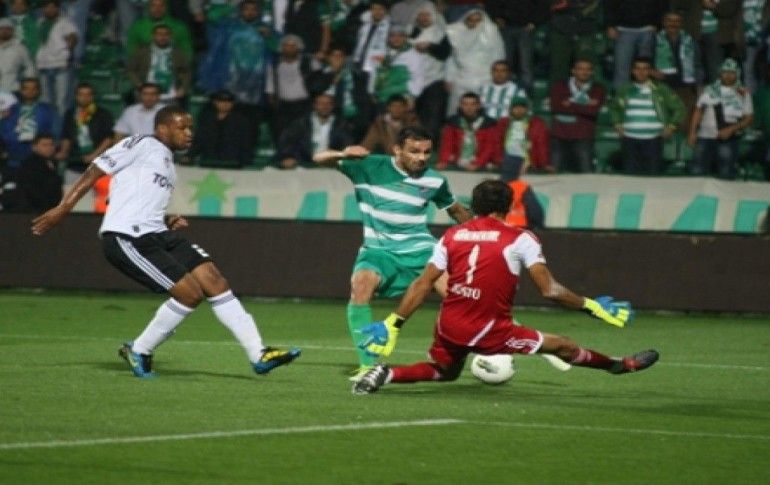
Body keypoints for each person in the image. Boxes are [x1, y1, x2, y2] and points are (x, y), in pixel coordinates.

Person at [31, 105, 302, 378]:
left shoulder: (169, 164)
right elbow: (95, 169)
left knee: (214, 280)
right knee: (189, 294)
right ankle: (140, 349)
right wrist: (63, 208)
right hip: (128, 237)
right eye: (182, 127)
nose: (189, 133)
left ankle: (258, 353)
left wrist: (166, 219)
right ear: (162, 128)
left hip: (157, 233)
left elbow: (131, 197)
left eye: (191, 128)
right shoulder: (141, 143)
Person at [352, 179, 658, 395]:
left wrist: (393, 323)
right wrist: (592, 306)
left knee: (446, 371)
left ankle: (385, 373)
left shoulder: (452, 235)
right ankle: (621, 365)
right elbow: (550, 290)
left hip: (449, 324)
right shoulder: (520, 238)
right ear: (510, 206)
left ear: (474, 206)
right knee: (563, 345)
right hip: (489, 329)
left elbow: (423, 283)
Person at [312, 126, 473, 381]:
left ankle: (495, 345)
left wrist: (484, 232)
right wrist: (343, 153)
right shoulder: (369, 166)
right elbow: (318, 158)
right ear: (397, 150)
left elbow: (455, 211)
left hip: (422, 250)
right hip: (378, 251)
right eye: (414, 151)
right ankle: (368, 366)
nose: (421, 158)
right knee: (361, 285)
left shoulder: (434, 180)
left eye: (427, 152)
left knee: (459, 298)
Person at [610, 57, 685, 174]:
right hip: (629, 139)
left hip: (654, 139)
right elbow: (614, 108)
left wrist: (671, 126)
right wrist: (617, 124)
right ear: (633, 71)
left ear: (650, 71)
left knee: (652, 176)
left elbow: (679, 109)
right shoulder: (624, 90)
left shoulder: (661, 89)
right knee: (629, 176)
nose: (641, 72)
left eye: (645, 69)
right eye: (638, 68)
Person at [688, 58, 754, 179]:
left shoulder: (743, 92)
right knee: (698, 171)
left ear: (737, 74)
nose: (728, 76)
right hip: (704, 137)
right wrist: (692, 133)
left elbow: (748, 118)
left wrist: (731, 129)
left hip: (727, 138)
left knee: (725, 173)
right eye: (725, 72)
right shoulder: (709, 90)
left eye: (732, 73)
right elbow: (698, 111)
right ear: (720, 73)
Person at [549, 58, 605, 173]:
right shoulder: (559, 86)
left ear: (592, 72)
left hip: (583, 137)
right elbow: (556, 107)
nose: (584, 72)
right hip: (559, 136)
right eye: (580, 69)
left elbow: (593, 110)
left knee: (586, 173)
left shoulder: (598, 89)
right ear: (573, 71)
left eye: (588, 69)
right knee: (553, 173)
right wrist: (585, 104)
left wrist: (570, 103)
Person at [445, 9, 505, 115]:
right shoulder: (457, 35)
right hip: (461, 79)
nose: (474, 23)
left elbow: (499, 57)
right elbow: (452, 59)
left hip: (486, 79)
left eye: (478, 20)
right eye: (471, 20)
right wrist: (449, 78)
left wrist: (496, 77)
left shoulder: (492, 34)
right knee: (457, 112)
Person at [276, 93, 352, 169]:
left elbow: (346, 145)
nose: (324, 106)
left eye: (328, 104)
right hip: (304, 164)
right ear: (315, 105)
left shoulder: (341, 125)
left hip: (332, 165)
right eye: (321, 103)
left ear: (333, 106)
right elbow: (288, 142)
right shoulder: (302, 123)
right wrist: (288, 156)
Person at [126, 23, 192, 106]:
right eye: (159, 34)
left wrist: (183, 88)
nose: (162, 37)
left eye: (165, 34)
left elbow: (186, 72)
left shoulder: (178, 52)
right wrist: (139, 85)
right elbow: (131, 69)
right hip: (146, 95)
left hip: (171, 96)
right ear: (153, 36)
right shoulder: (142, 51)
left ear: (170, 36)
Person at [56, 82, 116, 171]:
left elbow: (109, 138)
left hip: (98, 163)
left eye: (88, 94)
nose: (85, 98)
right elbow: (67, 136)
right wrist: (64, 151)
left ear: (93, 96)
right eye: (81, 94)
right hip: (75, 162)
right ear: (76, 96)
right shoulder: (70, 114)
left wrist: (94, 154)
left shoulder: (103, 114)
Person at [0, 78, 58, 168]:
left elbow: (55, 133)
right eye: (26, 88)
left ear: (39, 91)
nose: (30, 92)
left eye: (33, 89)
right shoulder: (10, 110)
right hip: (14, 157)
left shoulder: (48, 110)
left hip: (41, 157)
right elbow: (5, 131)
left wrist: (39, 147)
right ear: (21, 90)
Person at [35, 0, 78, 116]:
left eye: (53, 7)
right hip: (43, 65)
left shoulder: (65, 22)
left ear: (57, 9)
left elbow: (73, 36)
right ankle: (48, 125)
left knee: (61, 101)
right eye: (47, 7)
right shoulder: (39, 23)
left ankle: (61, 124)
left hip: (60, 65)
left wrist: (68, 47)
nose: (50, 10)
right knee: (45, 100)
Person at [190, 89, 254, 168]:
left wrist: (243, 161)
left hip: (232, 162)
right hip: (209, 160)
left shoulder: (241, 121)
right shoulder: (207, 119)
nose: (225, 104)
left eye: (228, 101)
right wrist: (190, 155)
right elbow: (199, 139)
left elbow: (245, 142)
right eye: (222, 101)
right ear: (215, 102)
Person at [437, 92, 499, 171]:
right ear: (460, 105)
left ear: (478, 106)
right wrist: (443, 161)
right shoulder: (453, 122)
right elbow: (447, 144)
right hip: (458, 160)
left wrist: (478, 163)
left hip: (482, 162)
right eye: (465, 104)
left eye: (473, 104)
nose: (469, 107)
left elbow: (489, 148)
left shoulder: (488, 124)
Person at [496, 97, 552, 181]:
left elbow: (541, 145)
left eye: (522, 107)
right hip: (507, 160)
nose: (519, 110)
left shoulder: (536, 123)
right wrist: (498, 160)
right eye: (516, 107)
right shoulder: (503, 123)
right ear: (510, 109)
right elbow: (496, 143)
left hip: (527, 161)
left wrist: (544, 164)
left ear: (527, 109)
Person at [0, 17, 36, 93]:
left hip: (13, 88)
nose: (4, 31)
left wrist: (27, 84)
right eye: (2, 29)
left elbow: (29, 66)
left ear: (12, 31)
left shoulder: (19, 47)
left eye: (7, 29)